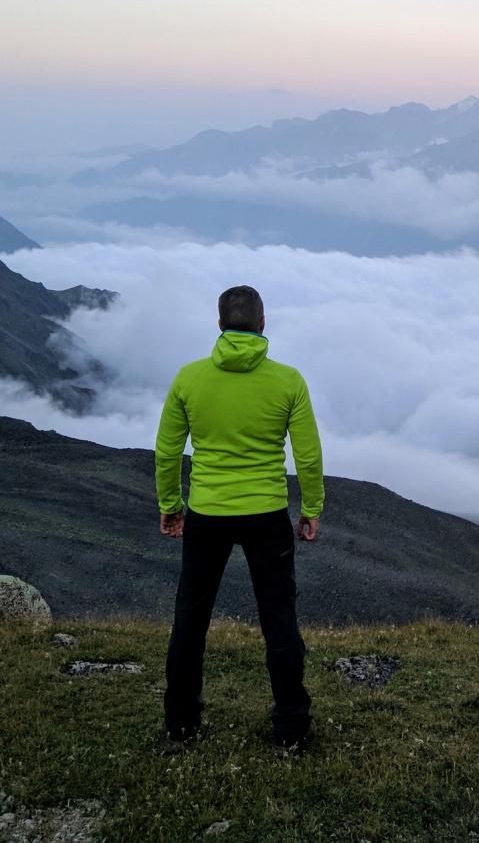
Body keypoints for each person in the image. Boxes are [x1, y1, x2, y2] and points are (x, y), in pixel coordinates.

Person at [155, 284, 324, 750]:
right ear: (263, 325)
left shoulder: (189, 378)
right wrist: (311, 510)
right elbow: (307, 456)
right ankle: (291, 728)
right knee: (279, 619)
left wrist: (171, 506)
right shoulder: (288, 380)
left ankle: (180, 727)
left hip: (206, 512)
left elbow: (168, 451)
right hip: (266, 513)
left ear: (219, 325)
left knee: (190, 618)